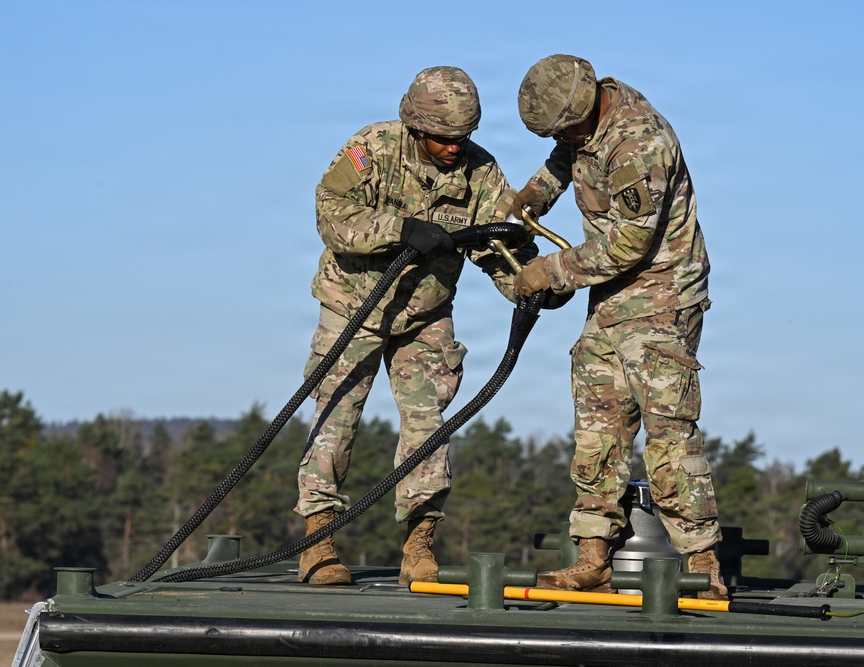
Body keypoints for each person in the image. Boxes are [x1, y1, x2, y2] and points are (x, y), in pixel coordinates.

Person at [296, 66, 535, 586]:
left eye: (462, 138)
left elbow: (496, 245)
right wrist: (398, 229)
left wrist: (528, 282)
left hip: (425, 315)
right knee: (336, 419)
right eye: (442, 139)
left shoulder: (481, 172)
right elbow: (331, 214)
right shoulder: (372, 149)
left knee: (428, 424)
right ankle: (318, 541)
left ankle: (419, 543)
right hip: (352, 305)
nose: (454, 149)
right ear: (415, 127)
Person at [512, 55, 727, 599]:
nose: (563, 140)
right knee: (598, 428)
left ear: (584, 111)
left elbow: (630, 243)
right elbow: (566, 157)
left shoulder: (639, 143)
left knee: (669, 433)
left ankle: (702, 566)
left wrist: (553, 269)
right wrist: (534, 198)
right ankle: (592, 555)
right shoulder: (586, 125)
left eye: (565, 130)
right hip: (611, 298)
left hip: (659, 299)